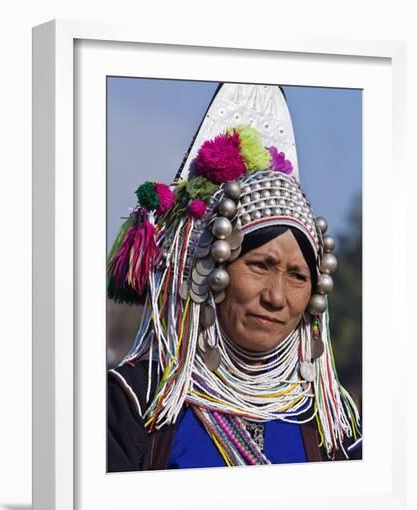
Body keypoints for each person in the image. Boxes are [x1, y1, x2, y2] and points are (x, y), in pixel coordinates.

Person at [107, 83, 362, 472]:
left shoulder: (331, 425)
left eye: (297, 275)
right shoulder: (136, 404)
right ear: (210, 269)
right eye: (260, 266)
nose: (276, 297)